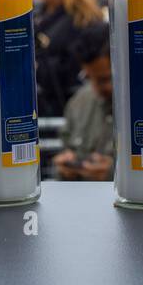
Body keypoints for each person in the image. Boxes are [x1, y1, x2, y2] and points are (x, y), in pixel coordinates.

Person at [53, 24, 114, 181]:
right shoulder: (79, 103)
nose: (96, 87)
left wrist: (114, 173)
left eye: (104, 79)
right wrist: (64, 168)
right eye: (88, 77)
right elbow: (65, 150)